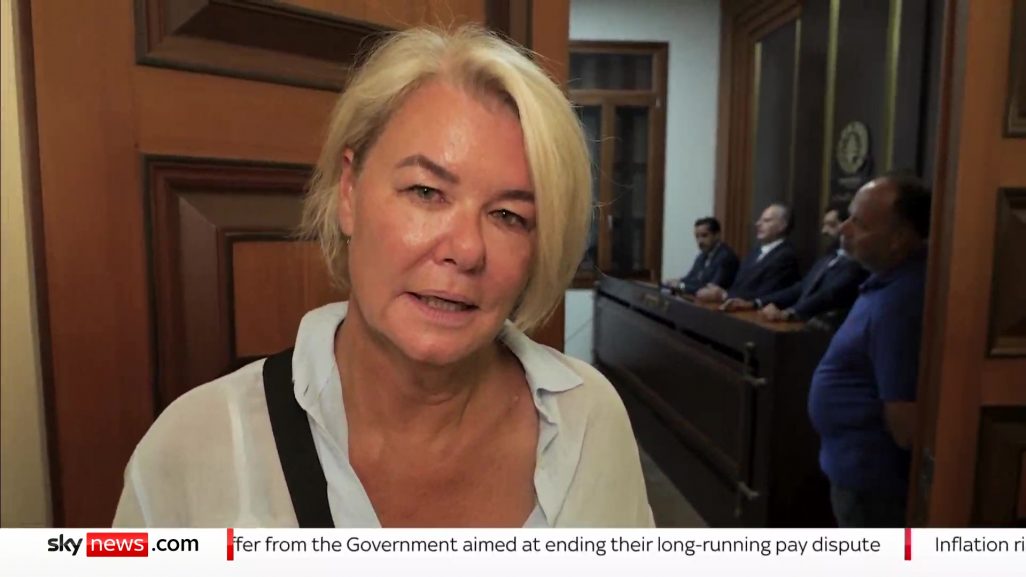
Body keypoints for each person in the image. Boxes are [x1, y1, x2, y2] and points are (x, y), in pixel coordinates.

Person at [113, 26, 653, 528]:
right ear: (349, 193)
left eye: (509, 215)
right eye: (426, 192)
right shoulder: (195, 447)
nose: (467, 249)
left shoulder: (587, 421)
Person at [807, 174, 931, 527]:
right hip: (856, 471)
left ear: (898, 239)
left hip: (874, 484)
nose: (844, 228)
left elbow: (905, 422)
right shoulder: (885, 281)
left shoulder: (902, 300)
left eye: (859, 223)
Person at [721, 204, 867, 323]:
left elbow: (829, 294)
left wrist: (790, 313)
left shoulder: (858, 262)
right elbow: (800, 288)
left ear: (849, 226)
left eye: (831, 225)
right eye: (824, 225)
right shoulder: (827, 258)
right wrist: (755, 303)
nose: (824, 231)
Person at [695, 203, 800, 302]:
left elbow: (765, 294)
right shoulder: (755, 251)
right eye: (760, 220)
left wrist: (724, 295)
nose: (758, 224)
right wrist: (722, 292)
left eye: (766, 220)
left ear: (782, 226)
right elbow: (738, 285)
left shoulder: (786, 256)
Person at [667, 217, 739, 295]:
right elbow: (690, 278)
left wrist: (681, 286)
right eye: (697, 237)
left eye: (704, 236)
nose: (700, 241)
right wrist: (676, 282)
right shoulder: (702, 256)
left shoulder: (726, 258)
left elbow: (711, 289)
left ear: (717, 235)